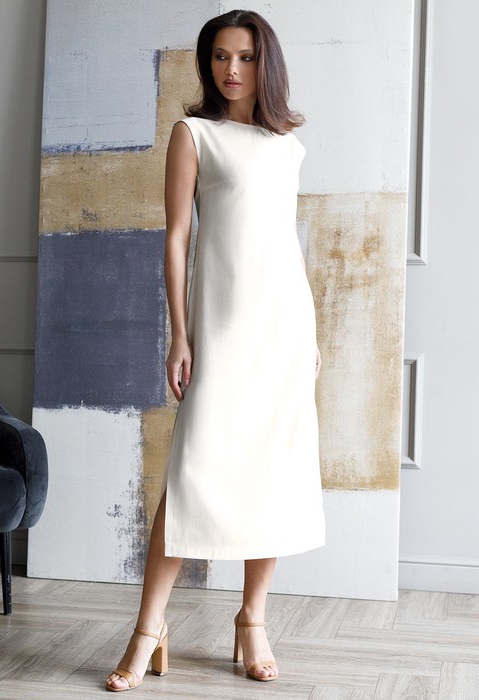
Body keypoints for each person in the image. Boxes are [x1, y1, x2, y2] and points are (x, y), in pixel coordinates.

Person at [106, 9, 325, 692]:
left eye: (246, 57)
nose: (232, 70)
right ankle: (149, 629)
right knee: (192, 474)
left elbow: (283, 247)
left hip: (284, 329)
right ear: (208, 63)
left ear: (266, 64)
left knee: (273, 474)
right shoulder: (194, 134)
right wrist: (180, 333)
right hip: (221, 331)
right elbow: (177, 238)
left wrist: (312, 336)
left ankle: (252, 619)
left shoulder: (288, 147)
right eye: (221, 56)